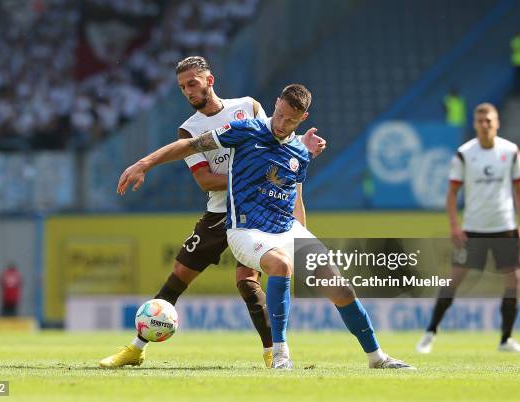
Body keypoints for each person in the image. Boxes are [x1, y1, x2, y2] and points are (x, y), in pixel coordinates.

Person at [116, 83, 414, 370]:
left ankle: (377, 358)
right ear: (275, 104)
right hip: (245, 230)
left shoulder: (300, 153)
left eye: (291, 119)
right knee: (280, 265)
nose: (282, 123)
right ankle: (280, 355)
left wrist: (304, 239)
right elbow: (190, 145)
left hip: (286, 230)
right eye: (281, 114)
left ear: (303, 118)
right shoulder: (245, 130)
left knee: (341, 289)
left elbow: (295, 197)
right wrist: (145, 163)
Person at [99, 57, 326, 369]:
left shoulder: (248, 106)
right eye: (182, 87)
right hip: (219, 211)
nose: (188, 91)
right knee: (179, 276)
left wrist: (302, 143)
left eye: (192, 83)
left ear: (210, 80)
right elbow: (205, 179)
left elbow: (278, 140)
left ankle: (274, 353)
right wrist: (254, 176)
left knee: (247, 280)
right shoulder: (189, 129)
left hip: (255, 211)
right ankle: (135, 349)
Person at [417, 103, 520, 354]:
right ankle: (430, 333)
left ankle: (506, 339)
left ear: (497, 122)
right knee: (454, 279)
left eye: (489, 120)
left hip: (505, 226)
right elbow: (452, 193)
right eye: (480, 121)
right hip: (473, 229)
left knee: (513, 279)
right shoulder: (464, 153)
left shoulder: (510, 151)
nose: (485, 125)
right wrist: (454, 226)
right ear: (475, 124)